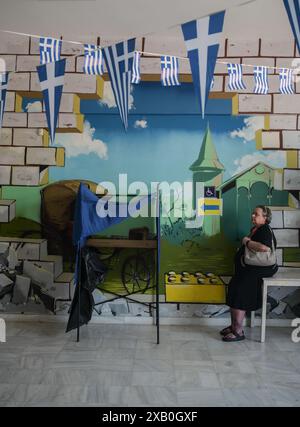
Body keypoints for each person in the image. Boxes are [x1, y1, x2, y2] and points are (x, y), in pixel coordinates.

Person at [221, 205, 278, 342]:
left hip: (260, 269)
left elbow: (263, 248)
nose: (253, 216)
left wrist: (247, 242)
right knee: (234, 286)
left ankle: (238, 331)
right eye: (253, 213)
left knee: (241, 290)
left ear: (265, 218)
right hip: (251, 268)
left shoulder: (264, 229)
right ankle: (234, 325)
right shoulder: (256, 229)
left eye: (256, 214)